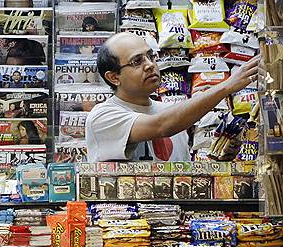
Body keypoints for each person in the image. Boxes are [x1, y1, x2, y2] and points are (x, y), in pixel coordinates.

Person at [85, 32, 259, 162]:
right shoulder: (103, 116)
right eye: (137, 61)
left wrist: (220, 157)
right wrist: (228, 85)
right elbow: (161, 126)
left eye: (150, 56)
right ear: (114, 77)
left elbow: (181, 171)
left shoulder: (170, 113)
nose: (150, 65)